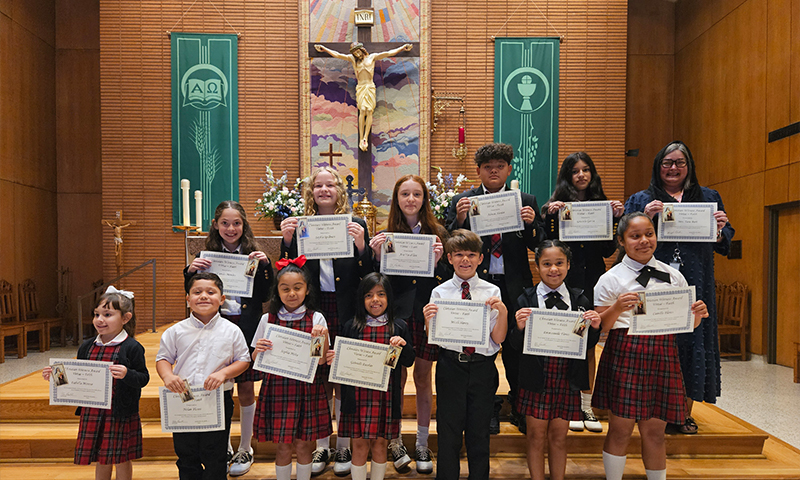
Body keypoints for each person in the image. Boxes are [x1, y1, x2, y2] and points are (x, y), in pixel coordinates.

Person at [624, 141, 733, 434]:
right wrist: (645, 216)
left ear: (689, 167)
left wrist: (719, 230)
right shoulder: (641, 199)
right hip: (652, 281)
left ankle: (683, 413)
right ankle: (647, 410)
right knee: (654, 342)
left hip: (697, 280)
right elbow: (623, 234)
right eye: (667, 163)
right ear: (658, 167)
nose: (673, 168)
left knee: (692, 341)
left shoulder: (708, 197)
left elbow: (726, 239)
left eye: (679, 163)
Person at [592, 213, 709, 480]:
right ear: (621, 241)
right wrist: (617, 307)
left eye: (649, 234)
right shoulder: (610, 278)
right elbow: (601, 327)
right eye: (635, 236)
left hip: (663, 353)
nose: (644, 240)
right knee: (620, 429)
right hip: (625, 352)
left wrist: (697, 315)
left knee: (655, 431)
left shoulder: (674, 276)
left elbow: (687, 324)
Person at [445, 142, 544, 433]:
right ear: (478, 171)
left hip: (513, 285)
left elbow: (538, 245)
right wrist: (460, 219)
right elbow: (451, 244)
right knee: (481, 349)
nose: (493, 171)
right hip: (477, 286)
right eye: (488, 167)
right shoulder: (464, 200)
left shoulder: (524, 200)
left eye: (499, 167)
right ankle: (486, 406)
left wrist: (531, 223)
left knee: (517, 349)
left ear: (509, 169)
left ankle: (519, 405)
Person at [280, 166, 373, 475]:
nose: (324, 190)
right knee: (318, 376)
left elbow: (368, 272)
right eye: (318, 185)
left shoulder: (356, 224)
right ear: (311, 192)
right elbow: (290, 271)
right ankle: (322, 444)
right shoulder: (302, 226)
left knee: (344, 376)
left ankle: (343, 444)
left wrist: (362, 245)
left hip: (346, 310)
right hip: (314, 311)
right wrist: (288, 242)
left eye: (329, 185)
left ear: (339, 190)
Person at [184, 200, 274, 476]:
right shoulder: (206, 255)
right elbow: (193, 293)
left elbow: (266, 294)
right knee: (217, 387)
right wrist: (190, 271)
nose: (231, 228)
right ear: (215, 225)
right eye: (225, 223)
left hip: (246, 327)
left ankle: (245, 447)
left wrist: (266, 267)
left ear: (244, 225)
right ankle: (220, 447)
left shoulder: (253, 254)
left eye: (236, 223)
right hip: (214, 329)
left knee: (245, 389)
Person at [368, 174, 449, 474]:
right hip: (397, 317)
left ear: (424, 198)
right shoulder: (386, 234)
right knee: (396, 379)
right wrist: (378, 256)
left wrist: (439, 262)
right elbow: (377, 281)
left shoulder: (438, 233)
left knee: (424, 378)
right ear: (397, 199)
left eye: (417, 194)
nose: (411, 199)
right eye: (405, 194)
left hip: (427, 314)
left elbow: (448, 277)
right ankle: (396, 440)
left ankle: (423, 442)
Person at [541, 152, 624, 433]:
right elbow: (547, 245)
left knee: (587, 344)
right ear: (567, 176)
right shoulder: (554, 206)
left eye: (586, 170)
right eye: (575, 171)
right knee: (564, 343)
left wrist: (615, 219)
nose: (581, 175)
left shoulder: (602, 205)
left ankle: (586, 405)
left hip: (591, 283)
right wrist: (552, 218)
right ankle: (566, 404)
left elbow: (608, 250)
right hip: (562, 285)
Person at [422, 229, 508, 480]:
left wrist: (502, 312)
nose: (465, 260)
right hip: (451, 367)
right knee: (448, 431)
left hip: (482, 367)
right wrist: (428, 320)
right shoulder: (440, 292)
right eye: (459, 254)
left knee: (479, 431)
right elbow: (435, 338)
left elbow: (498, 339)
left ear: (481, 258)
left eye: (471, 254)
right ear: (449, 258)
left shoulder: (492, 291)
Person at [512, 240, 602, 480]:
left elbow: (587, 344)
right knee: (535, 436)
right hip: (536, 377)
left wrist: (595, 327)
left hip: (566, 376)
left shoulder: (580, 300)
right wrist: (519, 328)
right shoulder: (525, 299)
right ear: (537, 266)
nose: (554, 269)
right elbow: (514, 345)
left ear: (568, 265)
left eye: (559, 263)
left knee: (559, 437)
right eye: (547, 264)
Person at [42, 286, 149, 480]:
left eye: (107, 315)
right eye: (96, 314)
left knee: (121, 457)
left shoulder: (132, 347)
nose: (99, 320)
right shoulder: (87, 346)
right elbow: (79, 377)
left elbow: (143, 378)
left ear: (126, 318)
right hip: (93, 410)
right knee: (102, 456)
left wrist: (127, 374)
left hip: (119, 412)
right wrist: (56, 376)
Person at [156, 273, 251, 480]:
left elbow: (244, 360)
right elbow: (163, 358)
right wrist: (167, 376)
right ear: (187, 299)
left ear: (222, 299)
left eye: (211, 292)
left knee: (215, 455)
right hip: (183, 398)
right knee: (186, 454)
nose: (204, 296)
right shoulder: (176, 331)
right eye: (197, 292)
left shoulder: (232, 330)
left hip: (216, 399)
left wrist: (224, 373)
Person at [252, 257, 331, 480]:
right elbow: (255, 359)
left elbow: (321, 361)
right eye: (285, 289)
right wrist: (259, 350)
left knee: (305, 445)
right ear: (277, 291)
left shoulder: (317, 318)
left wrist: (322, 338)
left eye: (298, 287)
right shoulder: (267, 319)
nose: (292, 293)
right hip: (278, 389)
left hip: (307, 390)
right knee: (283, 446)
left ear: (307, 290)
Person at [329, 273, 415, 480]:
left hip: (386, 398)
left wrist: (403, 346)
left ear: (389, 297)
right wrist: (335, 358)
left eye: (381, 294)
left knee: (380, 445)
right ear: (361, 299)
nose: (375, 300)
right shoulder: (352, 327)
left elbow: (409, 361)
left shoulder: (399, 326)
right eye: (368, 295)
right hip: (357, 397)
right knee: (359, 445)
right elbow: (343, 365)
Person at [314, 42, 413, 151]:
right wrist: (325, 49)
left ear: (362, 50)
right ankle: (361, 138)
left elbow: (388, 53)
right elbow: (338, 55)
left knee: (369, 111)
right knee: (362, 110)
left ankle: (365, 137)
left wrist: (402, 48)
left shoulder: (372, 57)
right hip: (361, 87)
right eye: (355, 53)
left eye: (358, 52)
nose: (357, 55)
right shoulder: (353, 59)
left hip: (369, 87)